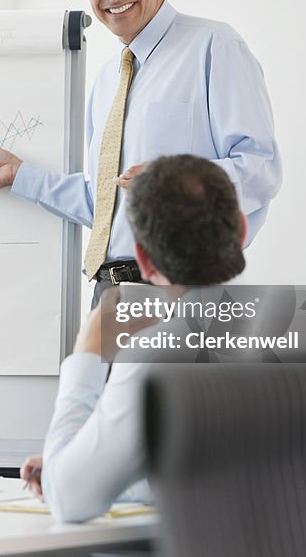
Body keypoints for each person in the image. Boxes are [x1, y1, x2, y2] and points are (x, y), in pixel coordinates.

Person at [0, 0, 281, 304]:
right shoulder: (109, 78)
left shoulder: (214, 46)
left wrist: (175, 186)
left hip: (182, 292)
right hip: (109, 292)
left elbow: (261, 169)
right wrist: (18, 175)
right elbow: (106, 203)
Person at [20, 154, 248, 522]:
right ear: (241, 229)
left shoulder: (155, 356)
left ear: (143, 259)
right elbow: (234, 473)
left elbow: (68, 500)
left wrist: (87, 355)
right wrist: (94, 462)